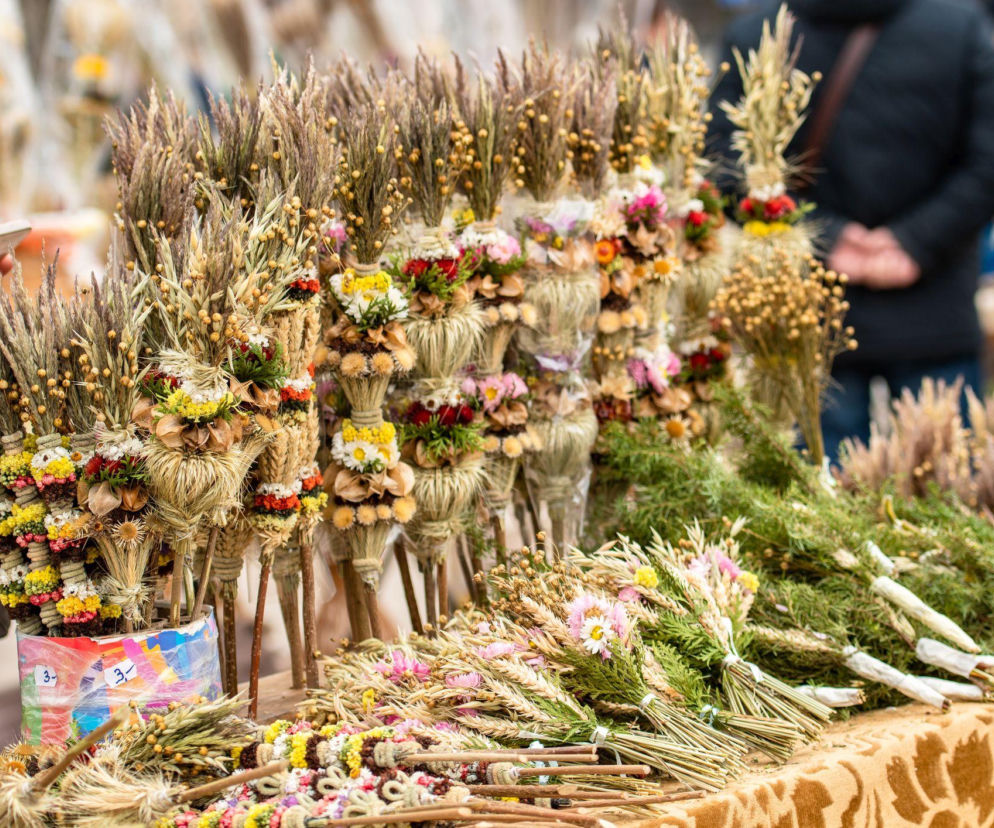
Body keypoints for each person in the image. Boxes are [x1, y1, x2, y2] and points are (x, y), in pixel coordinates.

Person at [710, 0, 994, 460]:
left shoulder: (760, 33)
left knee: (822, 510)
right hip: (934, 312)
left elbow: (725, 167)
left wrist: (827, 235)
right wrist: (914, 241)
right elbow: (986, 166)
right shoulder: (959, 26)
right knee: (947, 499)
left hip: (809, 321)